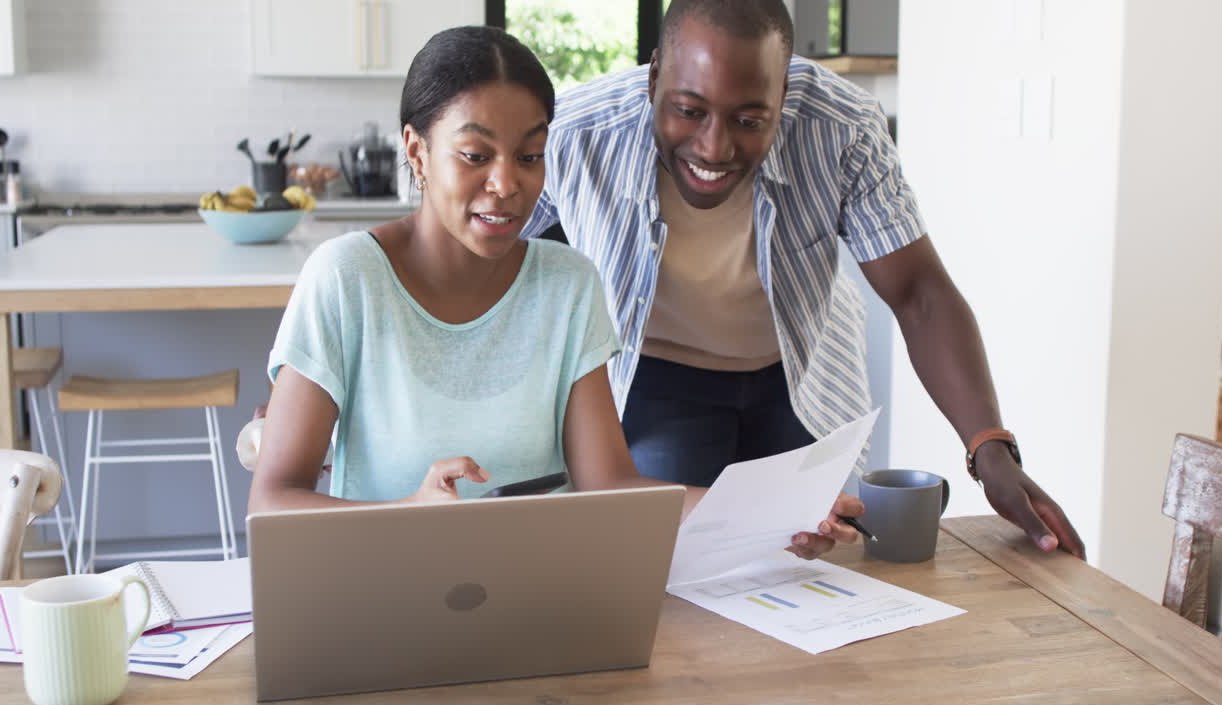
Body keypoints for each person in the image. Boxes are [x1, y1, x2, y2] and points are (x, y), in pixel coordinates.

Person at [247, 25, 862, 560]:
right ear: (417, 151)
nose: (507, 183)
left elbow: (611, 489)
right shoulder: (345, 279)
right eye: (474, 154)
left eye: (530, 156)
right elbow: (271, 505)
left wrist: (779, 512)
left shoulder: (567, 284)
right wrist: (409, 513)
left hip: (544, 604)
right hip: (382, 605)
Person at [520, 0, 1085, 558]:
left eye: (748, 120)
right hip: (657, 382)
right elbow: (483, 249)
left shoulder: (842, 128)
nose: (713, 147)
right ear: (652, 78)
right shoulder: (578, 132)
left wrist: (989, 448)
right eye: (689, 111)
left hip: (800, 382)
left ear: (783, 97)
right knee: (676, 576)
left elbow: (918, 293)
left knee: (806, 568)